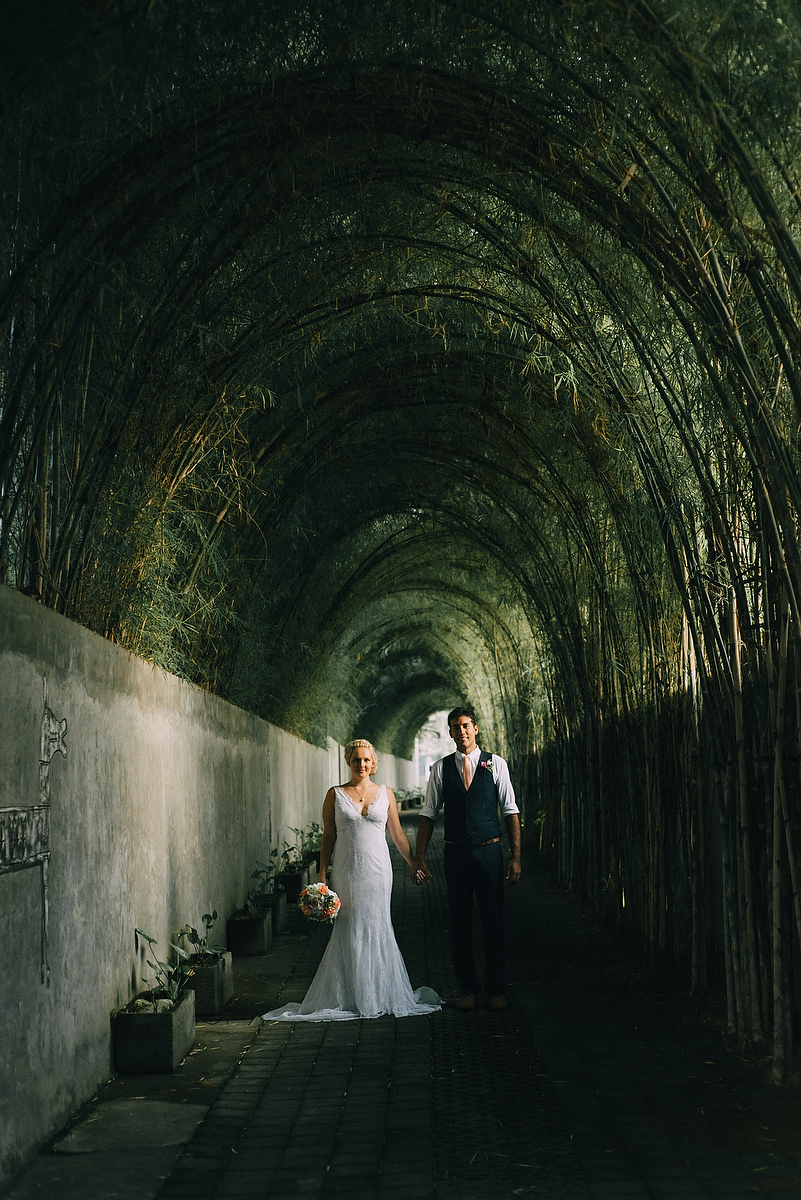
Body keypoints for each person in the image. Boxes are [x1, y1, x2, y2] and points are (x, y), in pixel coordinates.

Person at [262, 738, 441, 1021]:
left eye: (367, 760)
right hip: (347, 871)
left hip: (379, 872)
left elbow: (396, 835)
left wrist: (415, 863)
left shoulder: (386, 793)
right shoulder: (335, 794)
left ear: (374, 763)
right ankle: (350, 994)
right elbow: (328, 837)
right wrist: (321, 876)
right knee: (349, 927)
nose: (362, 764)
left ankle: (379, 993)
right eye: (356, 759)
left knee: (378, 925)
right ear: (348, 761)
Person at [412, 706, 521, 1011]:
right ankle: (468, 989)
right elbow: (428, 813)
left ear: (476, 729)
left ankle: (496, 988)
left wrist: (515, 858)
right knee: (459, 921)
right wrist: (420, 858)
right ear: (450, 733)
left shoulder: (495, 763)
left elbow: (510, 810)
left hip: (489, 851)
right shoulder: (440, 768)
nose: (461, 731)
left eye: (466, 725)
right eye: (455, 727)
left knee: (493, 921)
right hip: (455, 853)